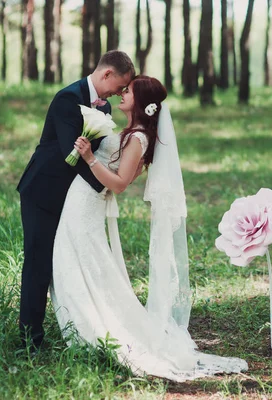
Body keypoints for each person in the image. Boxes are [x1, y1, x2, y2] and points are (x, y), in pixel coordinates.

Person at [50, 76, 248, 381]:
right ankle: (81, 318)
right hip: (81, 199)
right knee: (75, 256)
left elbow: (119, 184)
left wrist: (89, 157)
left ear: (141, 102)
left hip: (88, 202)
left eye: (127, 92)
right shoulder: (130, 131)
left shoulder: (138, 137)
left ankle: (89, 327)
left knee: (80, 257)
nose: (121, 94)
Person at [16, 50, 135, 351]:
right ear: (106, 73)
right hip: (43, 191)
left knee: (66, 262)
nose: (120, 93)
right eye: (120, 86)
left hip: (73, 197)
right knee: (38, 264)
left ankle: (78, 325)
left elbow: (94, 150)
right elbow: (72, 155)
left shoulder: (104, 105)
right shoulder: (67, 98)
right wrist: (105, 184)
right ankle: (30, 341)